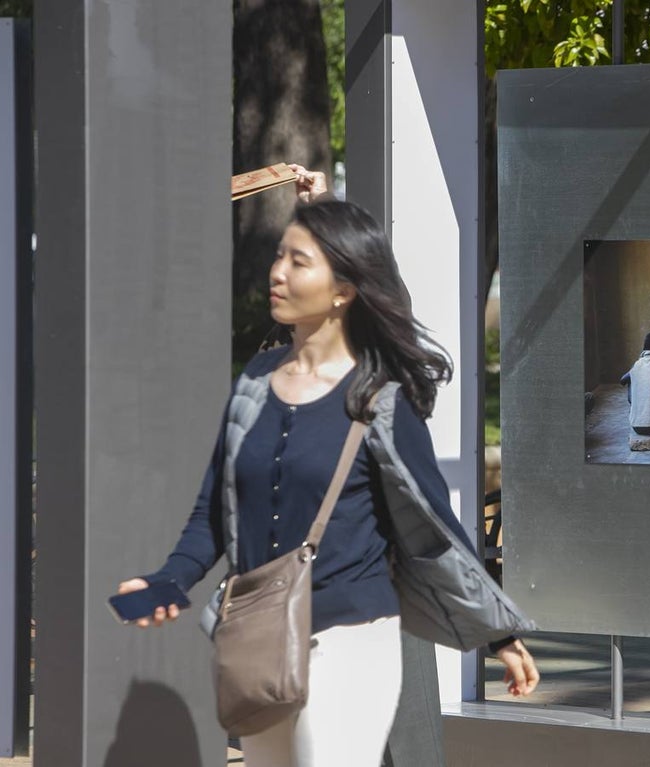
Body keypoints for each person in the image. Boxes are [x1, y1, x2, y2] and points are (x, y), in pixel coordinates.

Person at [118, 170, 539, 766]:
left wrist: (496, 633)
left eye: (299, 262)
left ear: (343, 289)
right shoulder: (254, 385)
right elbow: (215, 508)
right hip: (259, 642)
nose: (277, 273)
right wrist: (168, 581)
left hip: (351, 644)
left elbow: (432, 527)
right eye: (279, 257)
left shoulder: (380, 401)